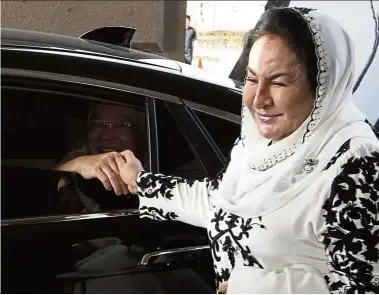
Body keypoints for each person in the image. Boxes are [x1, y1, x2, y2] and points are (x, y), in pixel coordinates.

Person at [115, 7, 379, 294]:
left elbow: (366, 287)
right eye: (252, 79)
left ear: (323, 85)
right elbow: (218, 202)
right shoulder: (261, 146)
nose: (259, 99)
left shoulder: (356, 163)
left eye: (278, 82)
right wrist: (137, 180)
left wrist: (249, 287)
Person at [56, 102, 145, 212]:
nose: (105, 135)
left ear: (143, 133)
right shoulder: (79, 156)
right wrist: (76, 164)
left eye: (121, 124)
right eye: (97, 123)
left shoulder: (162, 168)